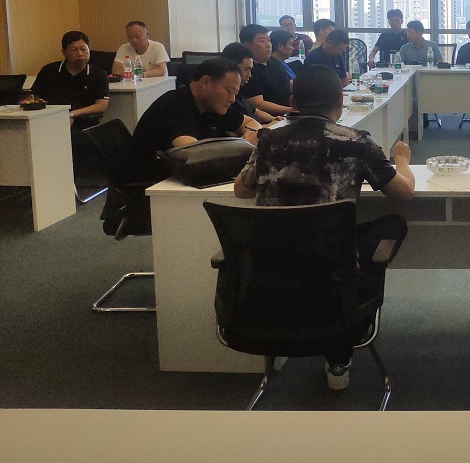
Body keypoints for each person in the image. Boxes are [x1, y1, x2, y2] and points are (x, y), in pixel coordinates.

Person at [234, 64, 414, 392]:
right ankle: (339, 353)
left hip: (271, 270)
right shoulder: (356, 141)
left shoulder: (269, 139)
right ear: (341, 101)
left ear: (293, 102)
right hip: (330, 269)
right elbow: (403, 193)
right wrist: (401, 159)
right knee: (393, 223)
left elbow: (241, 190)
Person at [130, 57, 261, 184]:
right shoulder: (174, 105)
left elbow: (250, 123)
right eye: (229, 91)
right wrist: (244, 146)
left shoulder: (212, 105)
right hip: (152, 185)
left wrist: (252, 134)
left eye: (235, 93)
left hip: (179, 180)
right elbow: (196, 155)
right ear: (206, 82)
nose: (232, 99)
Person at [32, 30, 109, 130]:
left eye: (83, 49)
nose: (80, 54)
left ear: (89, 49)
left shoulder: (99, 74)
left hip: (85, 125)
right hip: (50, 121)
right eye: (73, 50)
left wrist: (72, 114)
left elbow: (101, 105)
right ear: (64, 53)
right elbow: (34, 96)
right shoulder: (49, 70)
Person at [239, 24, 292, 116]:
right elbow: (257, 104)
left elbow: (290, 84)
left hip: (289, 111)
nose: (268, 45)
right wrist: (292, 110)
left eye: (269, 40)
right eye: (263, 41)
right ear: (247, 45)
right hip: (270, 118)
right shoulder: (248, 70)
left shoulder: (274, 62)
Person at [221, 42, 278, 126]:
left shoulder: (239, 93)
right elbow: (243, 129)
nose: (249, 75)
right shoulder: (225, 100)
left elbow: (255, 111)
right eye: (246, 70)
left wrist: (273, 119)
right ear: (231, 68)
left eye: (250, 70)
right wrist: (273, 125)